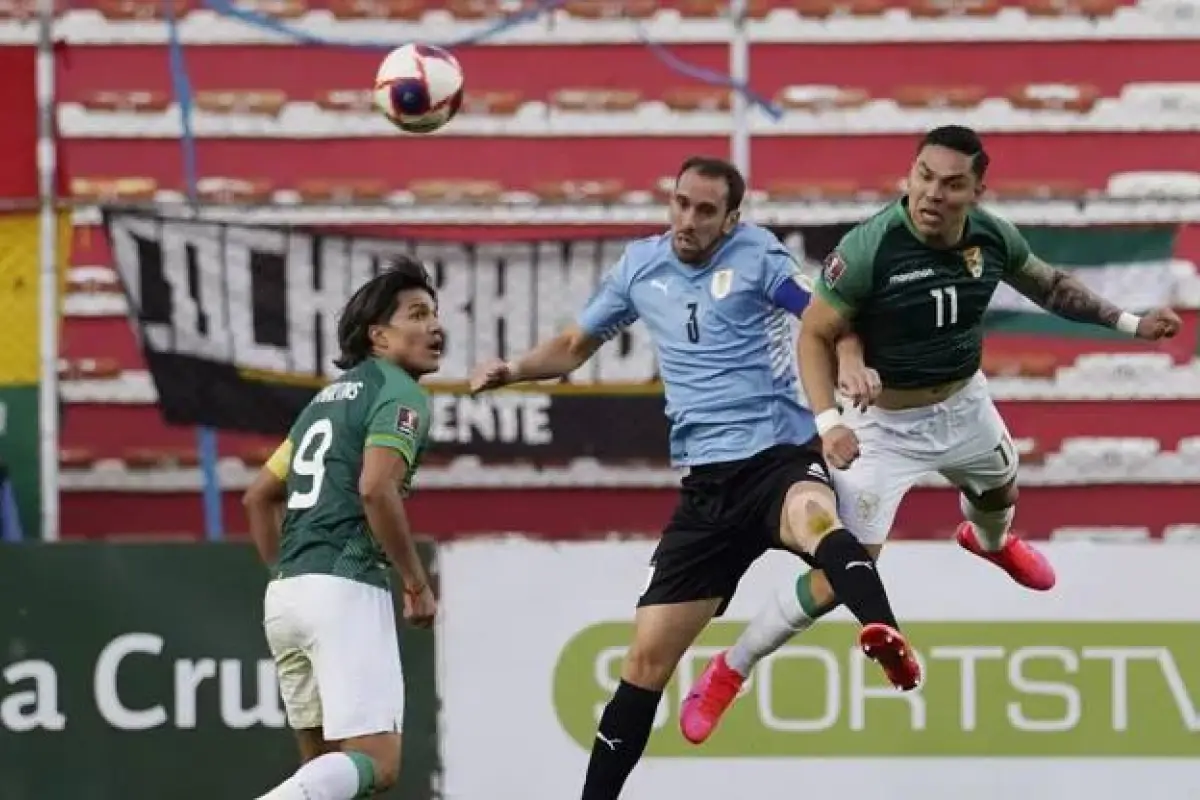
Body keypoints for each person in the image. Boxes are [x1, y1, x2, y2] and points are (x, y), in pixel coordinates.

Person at [680, 124, 1184, 744]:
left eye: (951, 184)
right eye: (923, 176)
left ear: (976, 192)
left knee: (1000, 490)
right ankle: (731, 668)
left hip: (964, 404)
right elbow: (814, 333)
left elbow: (1050, 286)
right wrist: (829, 423)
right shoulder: (870, 247)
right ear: (910, 174)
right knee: (844, 574)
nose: (932, 193)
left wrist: (1130, 323)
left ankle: (989, 542)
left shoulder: (992, 236)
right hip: (882, 426)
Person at [469, 155, 920, 800]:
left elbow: (829, 318)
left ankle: (885, 634)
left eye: (706, 210)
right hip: (707, 488)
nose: (688, 219)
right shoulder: (640, 267)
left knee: (817, 521)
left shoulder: (759, 257)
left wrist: (849, 360)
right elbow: (572, 346)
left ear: (731, 218)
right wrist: (513, 370)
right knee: (645, 661)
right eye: (681, 203)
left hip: (778, 457)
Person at [241, 259, 444, 800]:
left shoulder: (322, 404)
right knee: (377, 763)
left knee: (328, 773)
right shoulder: (400, 393)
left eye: (434, 314)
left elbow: (258, 497)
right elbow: (376, 489)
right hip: (345, 586)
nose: (435, 327)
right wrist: (415, 583)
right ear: (379, 336)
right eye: (417, 314)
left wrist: (290, 575)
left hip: (287, 593)